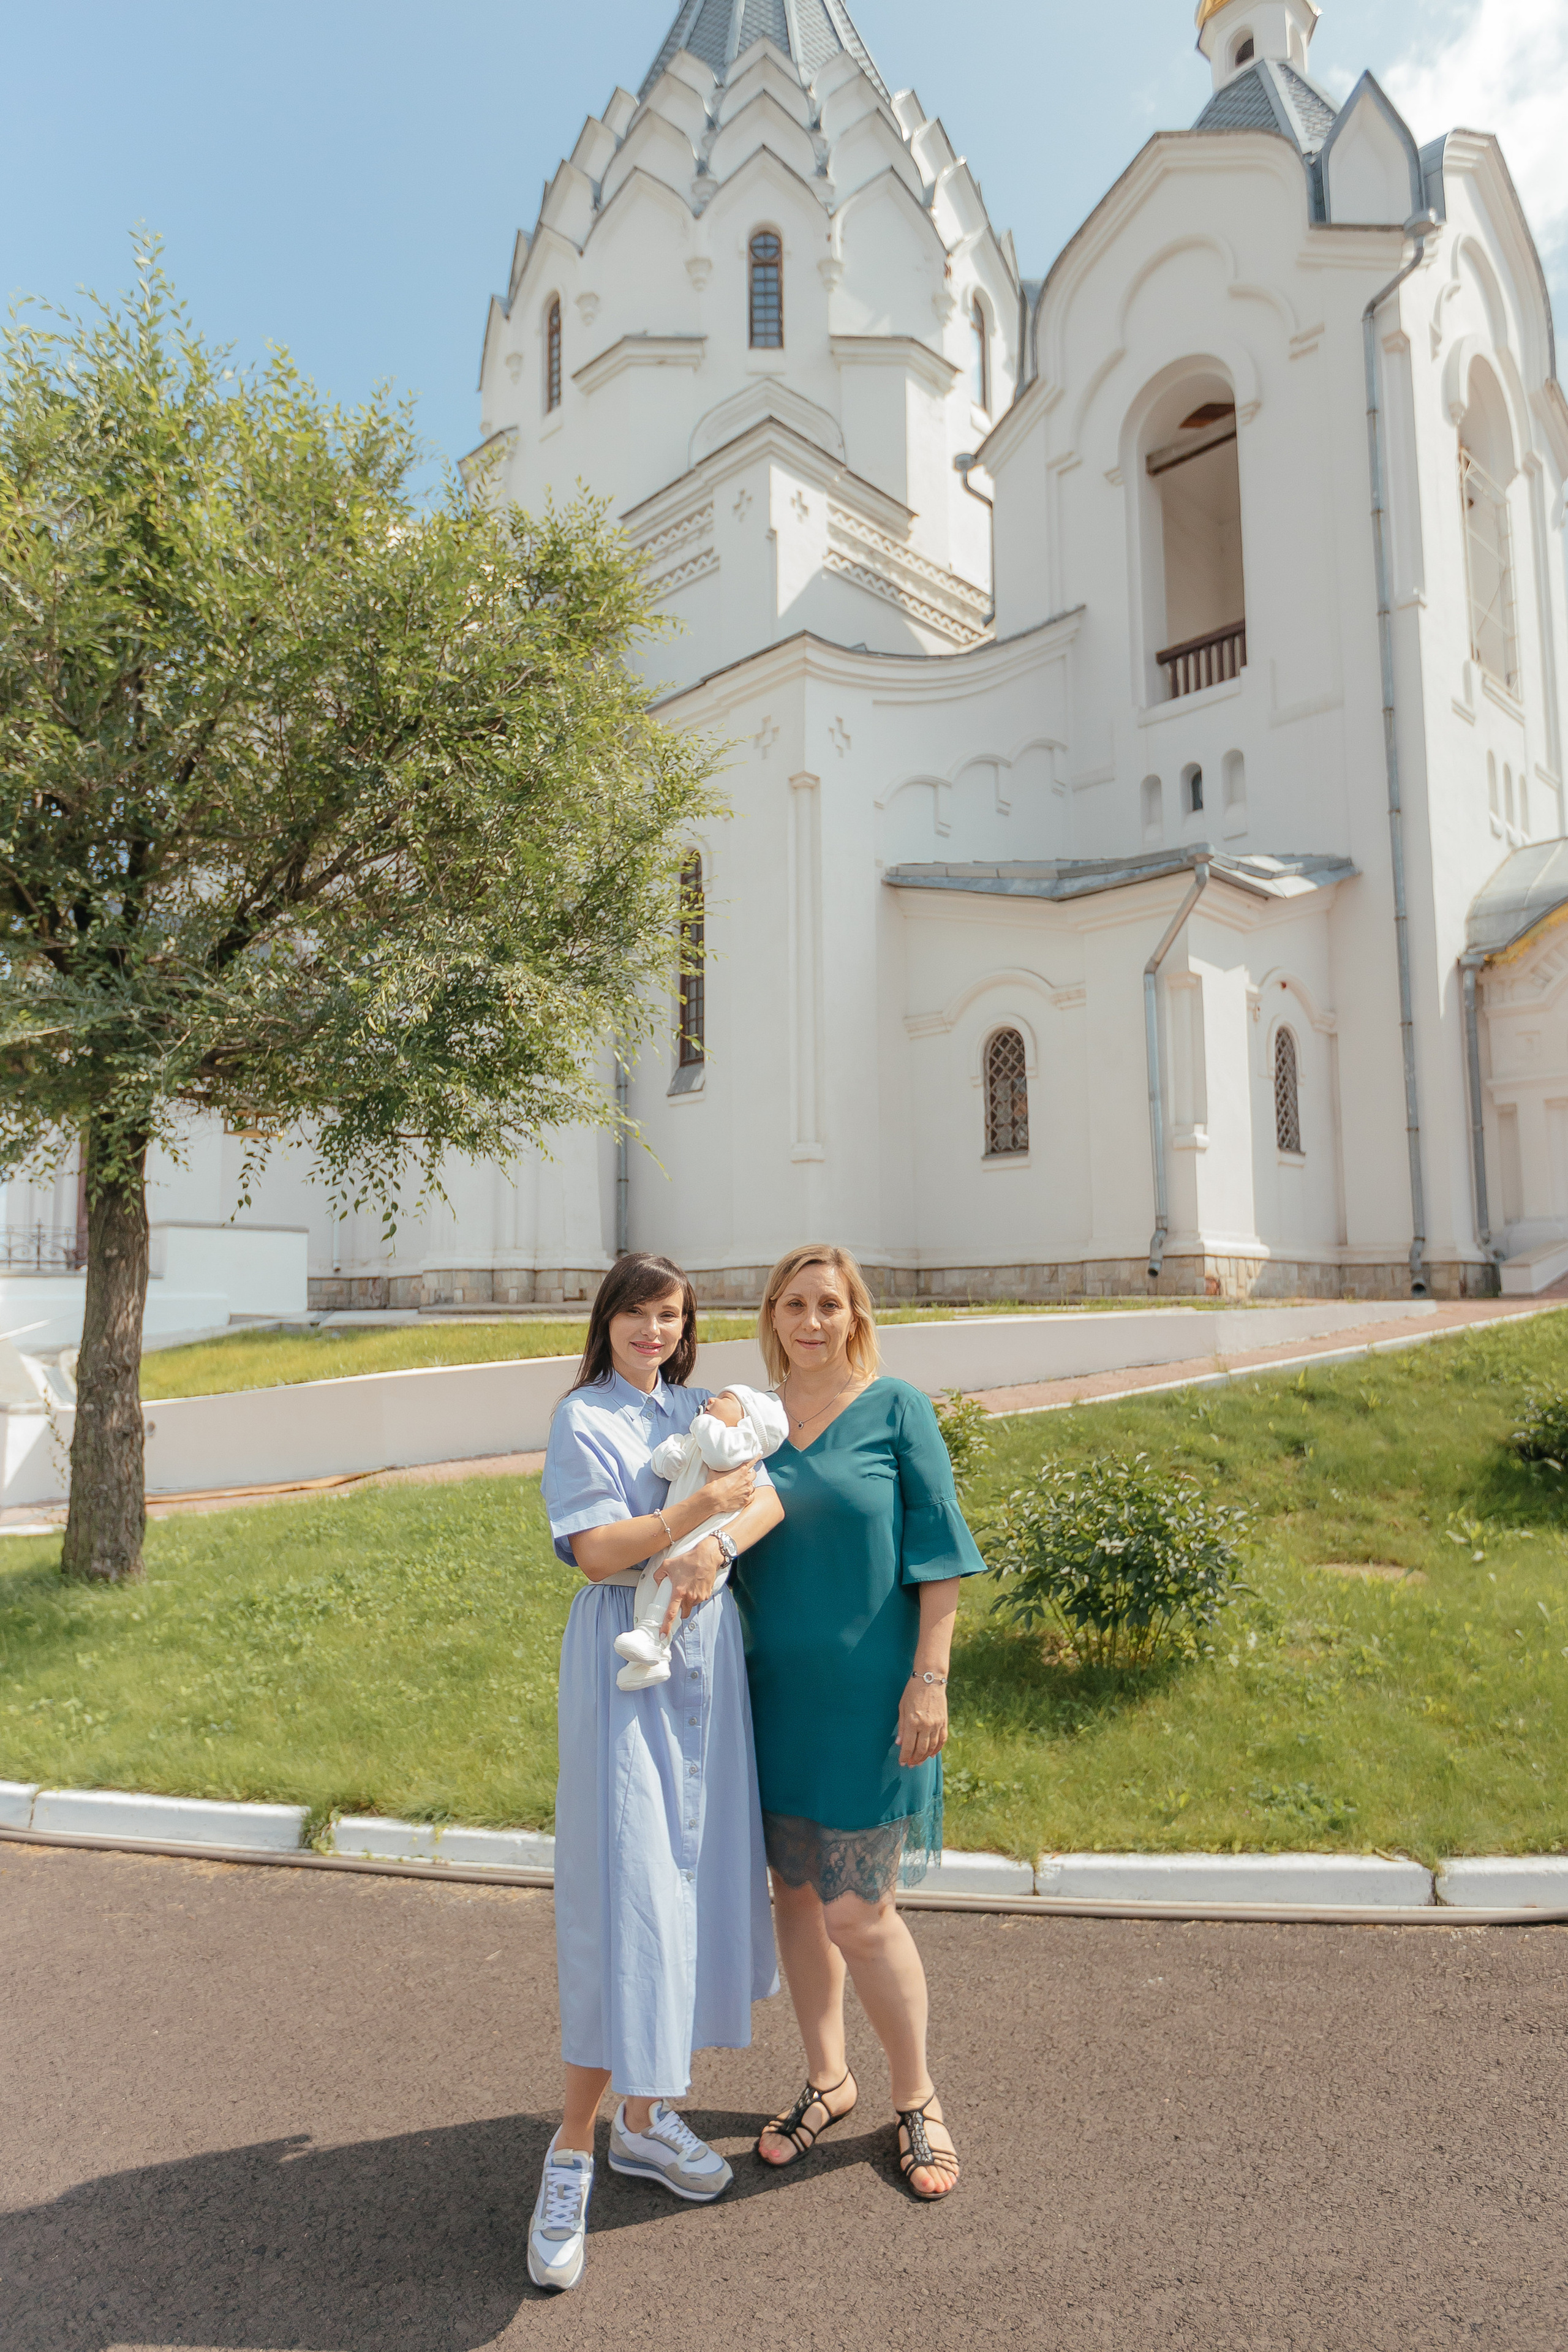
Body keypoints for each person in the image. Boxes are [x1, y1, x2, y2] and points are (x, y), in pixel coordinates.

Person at [529, 1253, 783, 2294]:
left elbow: (763, 1499)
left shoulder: (699, 1406)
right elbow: (596, 1553)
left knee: (690, 1881)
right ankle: (572, 2151)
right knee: (624, 1894)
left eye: (669, 1317)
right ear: (611, 1320)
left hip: (705, 1656)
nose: (653, 1331)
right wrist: (694, 1518)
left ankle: (644, 2117)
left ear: (686, 1329)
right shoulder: (582, 1416)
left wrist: (719, 1547)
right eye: (637, 1313)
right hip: (622, 1665)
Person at [733, 1245, 987, 2202]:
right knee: (794, 1899)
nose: (810, 1321)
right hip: (771, 1705)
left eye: (828, 1305)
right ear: (772, 1315)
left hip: (876, 1704)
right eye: (793, 1304)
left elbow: (942, 1556)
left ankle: (916, 2100)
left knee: (859, 1914)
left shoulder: (897, 1410)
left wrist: (932, 1679)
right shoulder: (750, 1425)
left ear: (854, 1316)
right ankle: (828, 2081)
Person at [614, 1385, 790, 1690]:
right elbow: (671, 1459)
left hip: (705, 1536)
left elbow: (719, 1455)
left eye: (725, 1399)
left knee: (672, 1583)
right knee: (652, 1580)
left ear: (748, 1420)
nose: (710, 1400)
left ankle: (653, 1635)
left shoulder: (741, 1444)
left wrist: (701, 1424)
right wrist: (669, 1456)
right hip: (682, 1530)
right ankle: (651, 1659)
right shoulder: (703, 1436)